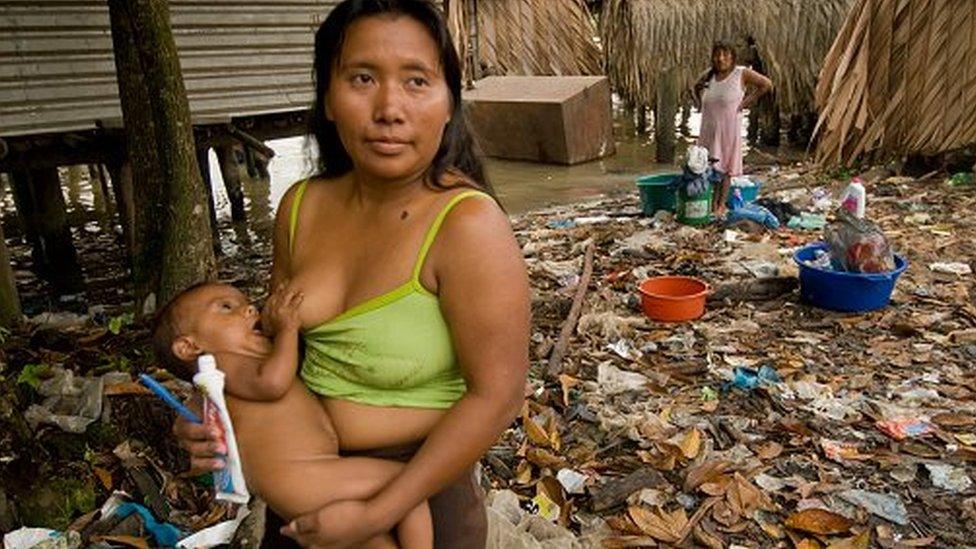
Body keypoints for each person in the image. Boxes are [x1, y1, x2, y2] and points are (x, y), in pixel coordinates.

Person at [172, 0, 531, 547]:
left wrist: (376, 512)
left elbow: (497, 397)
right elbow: (265, 345)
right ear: (329, 98)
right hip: (304, 478)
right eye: (362, 78)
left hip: (422, 493)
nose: (389, 107)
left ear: (448, 101)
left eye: (417, 81)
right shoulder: (300, 208)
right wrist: (209, 411)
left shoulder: (468, 226)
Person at [152, 282, 433, 548]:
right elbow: (272, 383)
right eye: (225, 307)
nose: (250, 309)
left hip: (301, 484)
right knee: (408, 485)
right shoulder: (223, 363)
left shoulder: (221, 381)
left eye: (246, 303)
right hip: (307, 478)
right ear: (189, 347)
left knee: (373, 541)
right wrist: (288, 328)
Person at [691, 41, 773, 216]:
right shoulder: (709, 76)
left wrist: (746, 102)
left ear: (732, 57)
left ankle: (720, 204)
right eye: (717, 55)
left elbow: (766, 84)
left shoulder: (741, 73)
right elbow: (695, 87)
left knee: (726, 167)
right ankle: (711, 202)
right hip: (709, 127)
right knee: (709, 164)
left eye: (725, 55)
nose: (721, 59)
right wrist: (699, 104)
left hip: (728, 127)